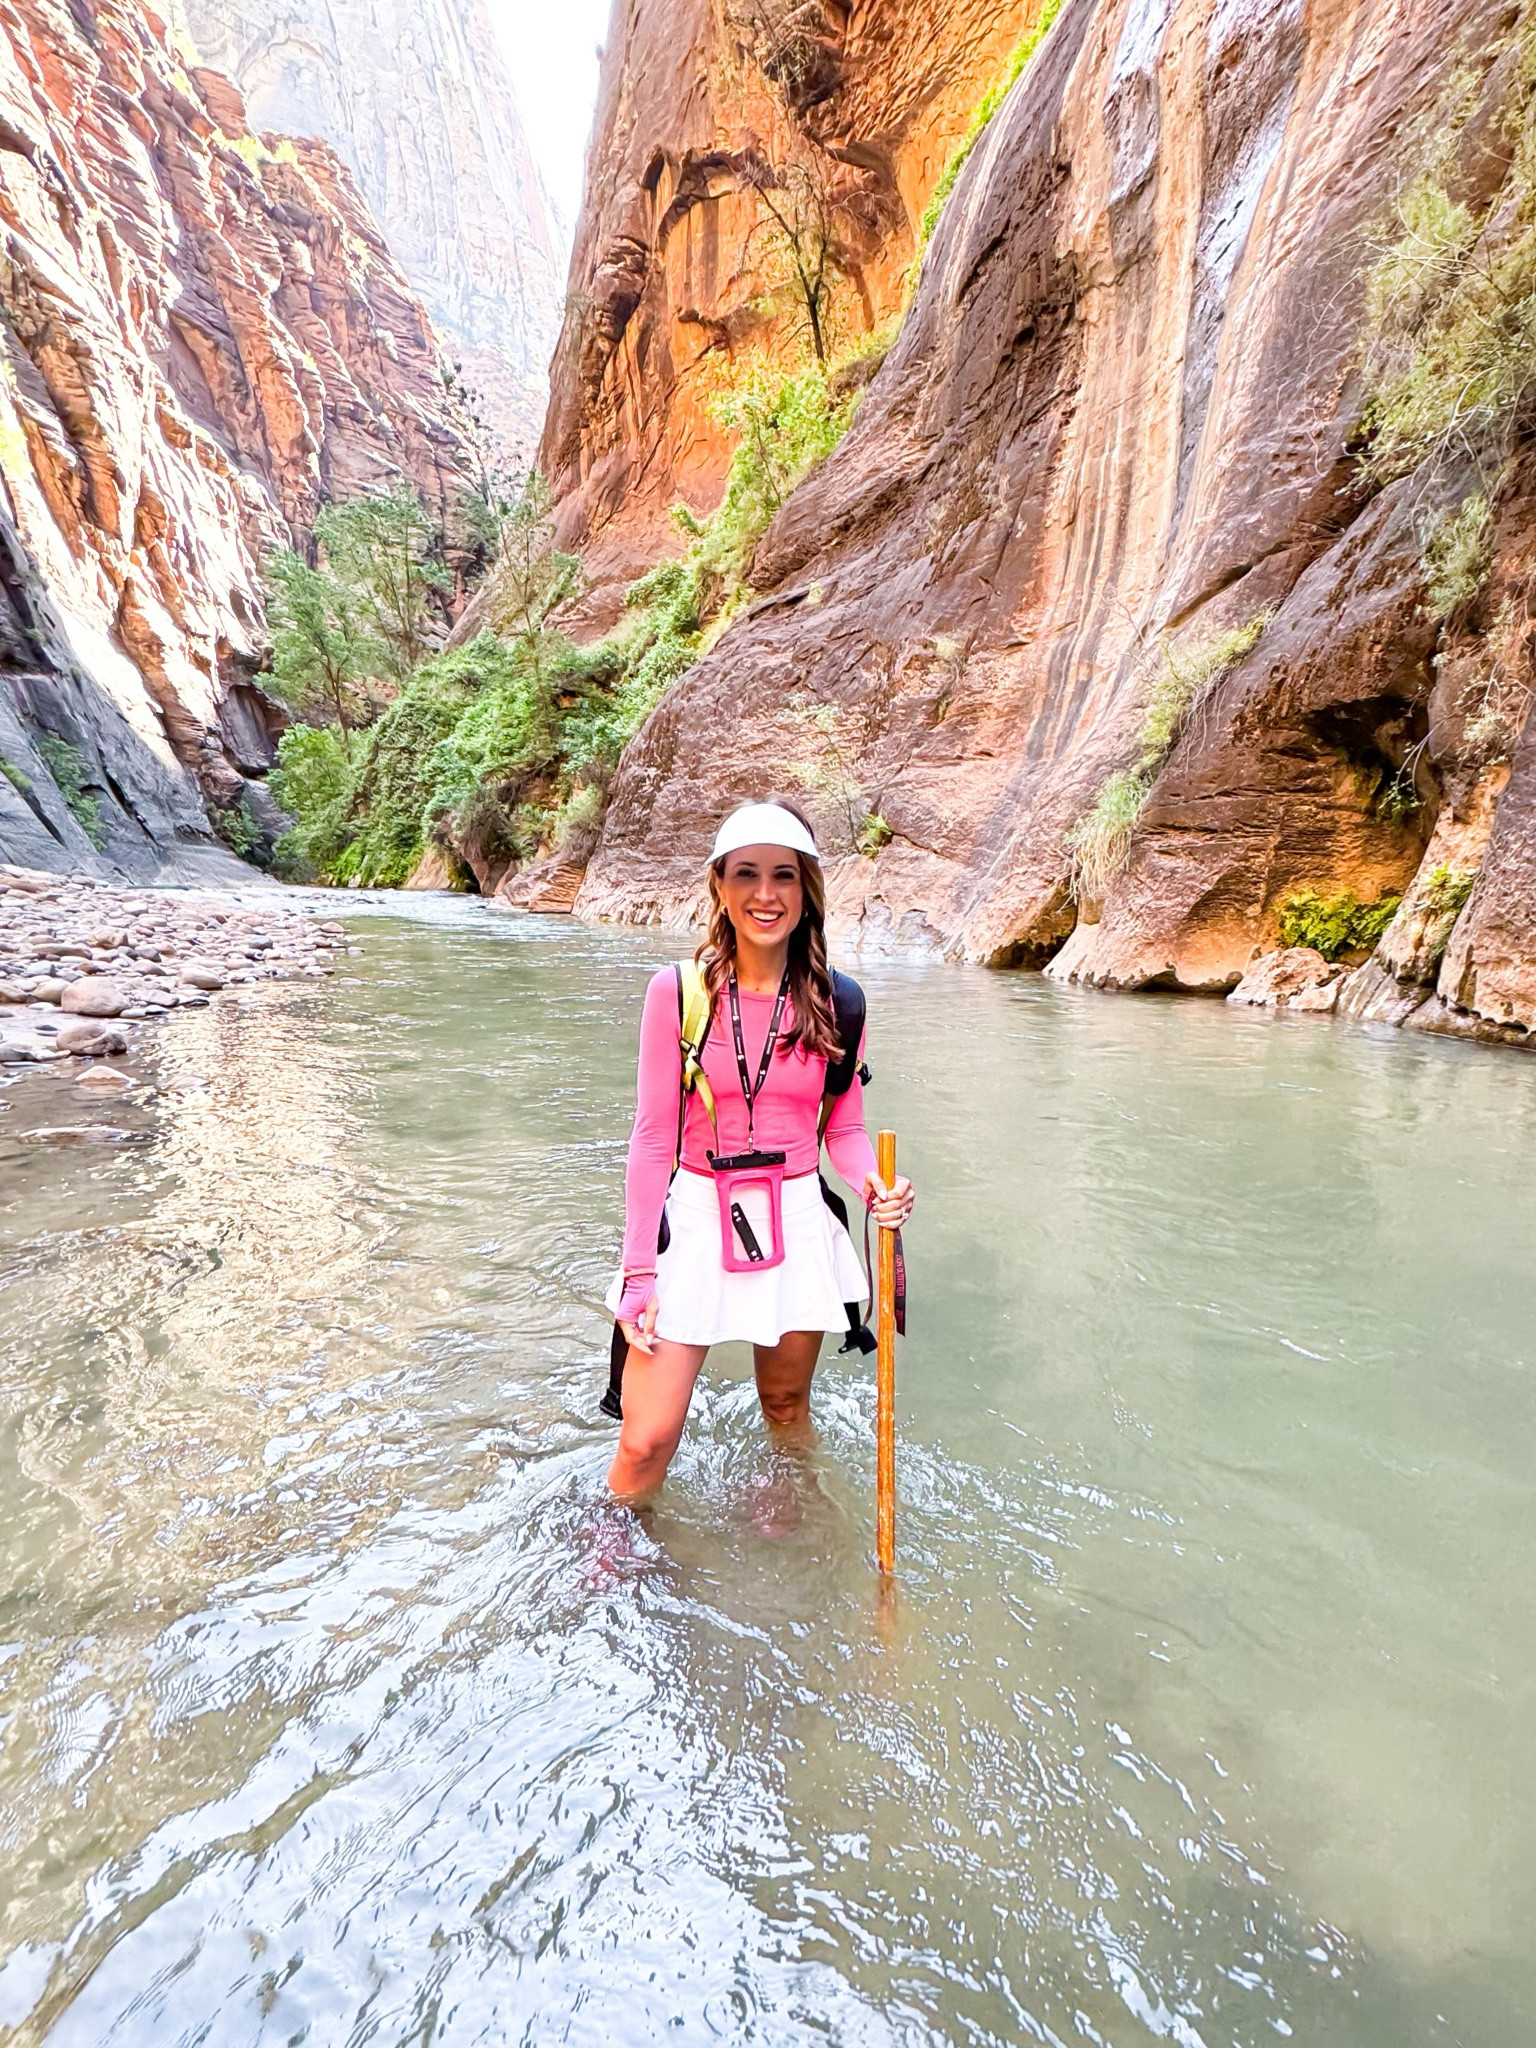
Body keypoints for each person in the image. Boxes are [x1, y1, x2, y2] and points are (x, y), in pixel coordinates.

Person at [604, 799, 915, 1499]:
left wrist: (876, 1187)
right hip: (694, 1215)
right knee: (645, 1438)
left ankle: (789, 1535)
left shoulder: (842, 1003)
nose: (765, 895)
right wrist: (637, 1274)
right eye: (746, 874)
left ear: (808, 891)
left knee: (784, 1408)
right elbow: (653, 1136)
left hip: (798, 1215)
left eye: (784, 875)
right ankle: (614, 1557)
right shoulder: (677, 994)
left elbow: (844, 1131)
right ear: (719, 885)